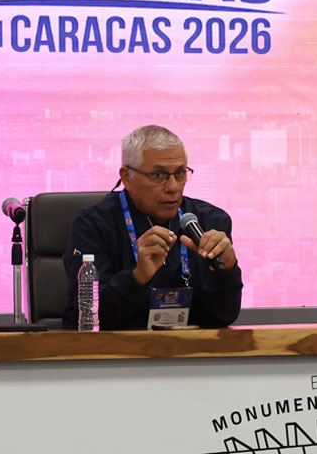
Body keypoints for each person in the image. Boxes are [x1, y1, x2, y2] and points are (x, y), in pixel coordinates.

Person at [62, 125, 242, 329]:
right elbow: (89, 316)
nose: (173, 187)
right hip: (114, 348)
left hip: (189, 347)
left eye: (180, 173)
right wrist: (138, 277)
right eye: (158, 175)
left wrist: (227, 272)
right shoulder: (92, 225)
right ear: (127, 176)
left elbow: (223, 317)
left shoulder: (210, 222)